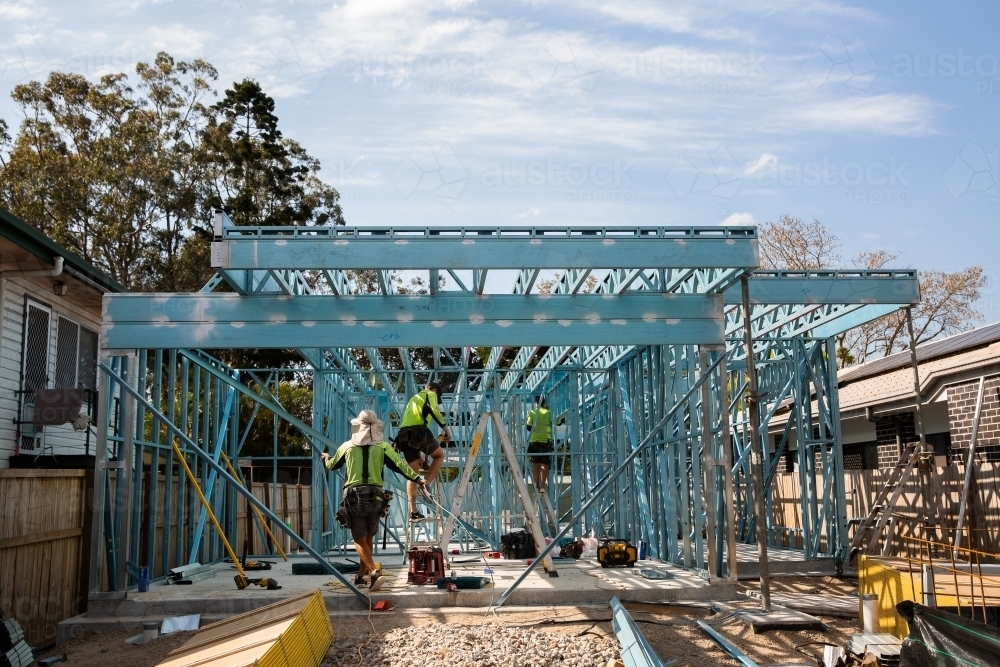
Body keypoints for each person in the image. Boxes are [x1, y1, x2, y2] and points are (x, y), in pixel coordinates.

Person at [322, 409, 424, 591]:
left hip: (354, 498)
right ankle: (361, 578)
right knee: (368, 537)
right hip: (376, 497)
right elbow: (400, 466)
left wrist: (326, 458)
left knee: (359, 539)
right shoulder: (383, 446)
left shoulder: (346, 446)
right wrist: (418, 479)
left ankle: (373, 572)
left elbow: (331, 465)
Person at [395, 381, 451, 520]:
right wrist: (446, 429)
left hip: (403, 435)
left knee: (412, 475)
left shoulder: (414, 399)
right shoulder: (431, 394)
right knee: (439, 455)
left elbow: (411, 427)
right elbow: (434, 410)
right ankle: (426, 483)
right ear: (436, 391)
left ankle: (413, 512)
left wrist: (419, 456)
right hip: (419, 431)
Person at [525, 395, 554, 493]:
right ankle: (542, 485)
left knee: (536, 464)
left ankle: (536, 484)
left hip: (534, 442)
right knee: (544, 465)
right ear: (545, 403)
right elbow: (558, 422)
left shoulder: (532, 412)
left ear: (536, 403)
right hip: (546, 442)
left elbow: (528, 426)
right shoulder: (549, 413)